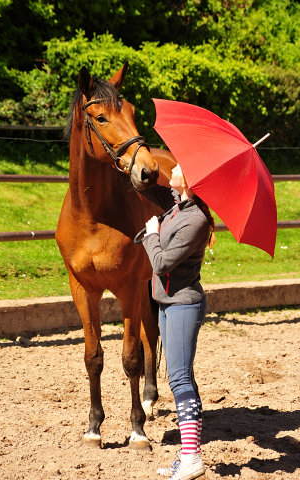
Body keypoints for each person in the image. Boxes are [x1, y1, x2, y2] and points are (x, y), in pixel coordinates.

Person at [140, 163, 215, 480]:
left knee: (181, 380)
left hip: (184, 305)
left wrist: (152, 235)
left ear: (192, 180)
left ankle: (193, 459)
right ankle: (188, 455)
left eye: (180, 167)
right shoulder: (177, 203)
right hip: (167, 303)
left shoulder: (196, 219)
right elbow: (150, 188)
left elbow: (161, 263)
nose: (172, 167)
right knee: (180, 378)